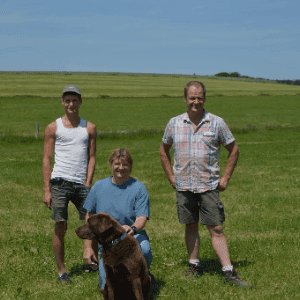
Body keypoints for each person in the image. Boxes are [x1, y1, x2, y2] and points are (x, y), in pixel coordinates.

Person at [160, 81, 251, 288]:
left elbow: (234, 149)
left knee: (216, 227)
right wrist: (171, 177)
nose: (196, 101)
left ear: (204, 98)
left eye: (199, 97)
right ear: (185, 99)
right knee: (190, 226)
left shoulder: (217, 123)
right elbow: (163, 150)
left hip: (208, 185)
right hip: (184, 186)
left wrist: (225, 177)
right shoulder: (174, 123)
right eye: (192, 97)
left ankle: (228, 271)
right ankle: (194, 266)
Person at [43, 84, 98, 284]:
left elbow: (92, 157)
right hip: (59, 182)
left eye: (75, 100)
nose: (71, 104)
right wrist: (47, 189)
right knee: (61, 225)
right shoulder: (53, 127)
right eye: (67, 100)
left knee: (92, 222)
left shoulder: (89, 127)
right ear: (62, 102)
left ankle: (92, 260)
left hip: (81, 184)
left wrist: (88, 181)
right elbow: (47, 159)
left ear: (80, 102)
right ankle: (62, 271)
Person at [83, 148, 152, 294]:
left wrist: (132, 228)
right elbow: (89, 218)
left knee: (144, 248)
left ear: (130, 166)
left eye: (125, 164)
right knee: (106, 289)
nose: (121, 168)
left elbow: (142, 217)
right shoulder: (99, 186)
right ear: (111, 164)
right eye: (117, 164)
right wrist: (88, 247)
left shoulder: (138, 188)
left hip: (130, 238)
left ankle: (143, 275)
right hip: (107, 245)